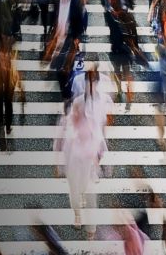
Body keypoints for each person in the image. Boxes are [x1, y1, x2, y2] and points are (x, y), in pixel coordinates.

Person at [54, 68, 112, 239]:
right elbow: (64, 128)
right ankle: (78, 213)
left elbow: (101, 128)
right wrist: (58, 160)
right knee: (74, 188)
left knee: (90, 191)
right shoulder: (78, 103)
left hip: (90, 154)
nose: (91, 86)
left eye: (94, 82)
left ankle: (91, 227)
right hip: (75, 153)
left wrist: (103, 152)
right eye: (89, 82)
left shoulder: (101, 102)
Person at [0, 45, 24, 152]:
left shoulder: (2, 53)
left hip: (6, 81)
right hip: (1, 81)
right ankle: (4, 124)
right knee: (2, 103)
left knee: (5, 103)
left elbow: (14, 69)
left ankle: (4, 124)